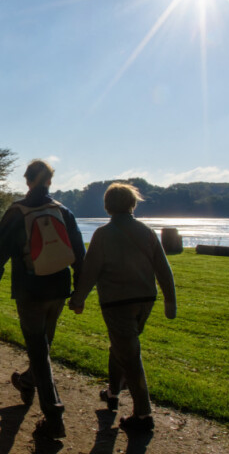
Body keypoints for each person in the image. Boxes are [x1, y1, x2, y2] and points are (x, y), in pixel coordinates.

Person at [0, 160, 86, 440]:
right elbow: (79, 253)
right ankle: (27, 381)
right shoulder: (63, 211)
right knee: (43, 347)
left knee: (39, 349)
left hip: (29, 289)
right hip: (58, 288)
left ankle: (54, 416)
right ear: (49, 181)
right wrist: (79, 292)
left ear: (27, 181)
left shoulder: (16, 212)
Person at [68, 182, 176, 433]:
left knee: (130, 354)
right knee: (122, 347)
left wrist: (78, 299)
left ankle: (143, 415)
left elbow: (91, 271)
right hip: (145, 300)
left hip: (116, 302)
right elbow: (163, 268)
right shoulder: (147, 232)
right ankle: (113, 393)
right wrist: (170, 301)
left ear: (107, 206)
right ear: (133, 204)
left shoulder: (103, 235)